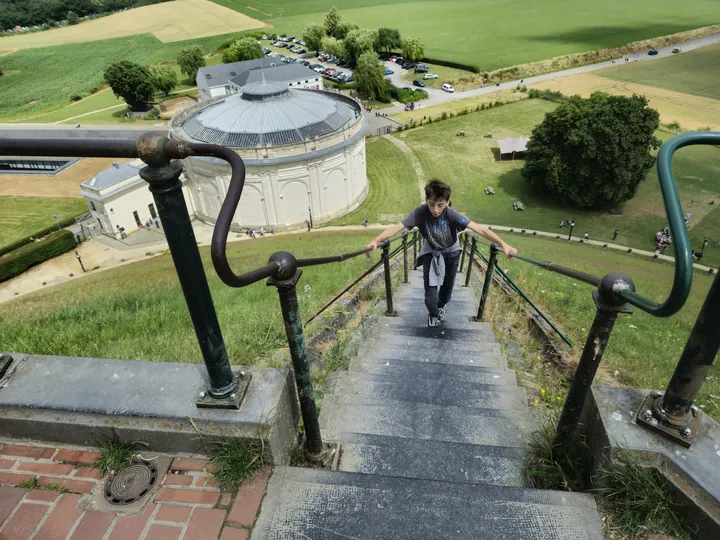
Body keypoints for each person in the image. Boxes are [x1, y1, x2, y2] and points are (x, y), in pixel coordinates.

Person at [366, 180, 517, 328]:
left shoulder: (452, 215)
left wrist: (503, 244)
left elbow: (480, 230)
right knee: (430, 296)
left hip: (451, 254)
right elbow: (397, 227)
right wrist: (375, 240)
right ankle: (433, 314)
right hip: (431, 253)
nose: (436, 210)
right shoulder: (420, 213)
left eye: (440, 205)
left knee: (446, 293)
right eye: (431, 204)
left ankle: (441, 306)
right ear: (426, 201)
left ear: (447, 202)